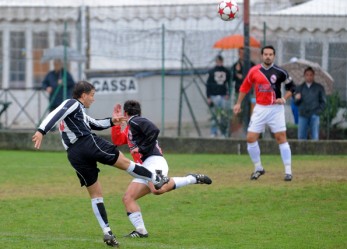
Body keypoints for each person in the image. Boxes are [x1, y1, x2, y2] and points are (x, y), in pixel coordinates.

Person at [32, 81, 169, 247]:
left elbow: (94, 123)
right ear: (83, 95)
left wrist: (113, 121)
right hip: (87, 143)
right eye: (92, 95)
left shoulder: (77, 112)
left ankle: (107, 232)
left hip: (74, 155)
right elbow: (55, 114)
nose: (93, 99)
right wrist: (41, 130)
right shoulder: (72, 103)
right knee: (125, 163)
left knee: (96, 194)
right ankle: (156, 178)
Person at [111, 100, 212, 238]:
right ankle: (141, 231)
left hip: (154, 161)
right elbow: (117, 141)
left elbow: (154, 130)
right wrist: (116, 124)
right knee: (128, 198)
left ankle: (191, 179)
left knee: (157, 189)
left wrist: (141, 149)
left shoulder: (136, 121)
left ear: (126, 113)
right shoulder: (132, 127)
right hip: (143, 167)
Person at [233, 45, 296, 181]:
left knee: (281, 138)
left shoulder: (280, 72)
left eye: (270, 54)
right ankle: (258, 168)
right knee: (250, 138)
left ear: (274, 56)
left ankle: (288, 171)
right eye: (265, 54)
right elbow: (245, 87)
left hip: (275, 109)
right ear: (262, 56)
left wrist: (284, 98)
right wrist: (238, 103)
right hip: (260, 108)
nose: (268, 56)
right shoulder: (254, 71)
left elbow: (292, 87)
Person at [294, 66, 326, 140]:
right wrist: (297, 99)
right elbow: (296, 103)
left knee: (315, 136)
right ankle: (301, 151)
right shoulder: (300, 88)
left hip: (314, 115)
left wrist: (317, 112)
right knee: (301, 137)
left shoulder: (319, 88)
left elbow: (323, 102)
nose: (309, 77)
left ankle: (315, 151)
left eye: (311, 75)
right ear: (304, 76)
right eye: (307, 75)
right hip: (303, 114)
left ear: (313, 76)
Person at [206, 55, 231, 137]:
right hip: (214, 96)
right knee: (214, 115)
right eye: (218, 61)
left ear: (222, 61)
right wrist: (208, 97)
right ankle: (214, 132)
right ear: (216, 62)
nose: (219, 63)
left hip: (223, 96)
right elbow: (208, 85)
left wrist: (228, 94)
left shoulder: (226, 71)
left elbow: (229, 84)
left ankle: (223, 132)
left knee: (224, 115)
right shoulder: (212, 71)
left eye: (220, 61)